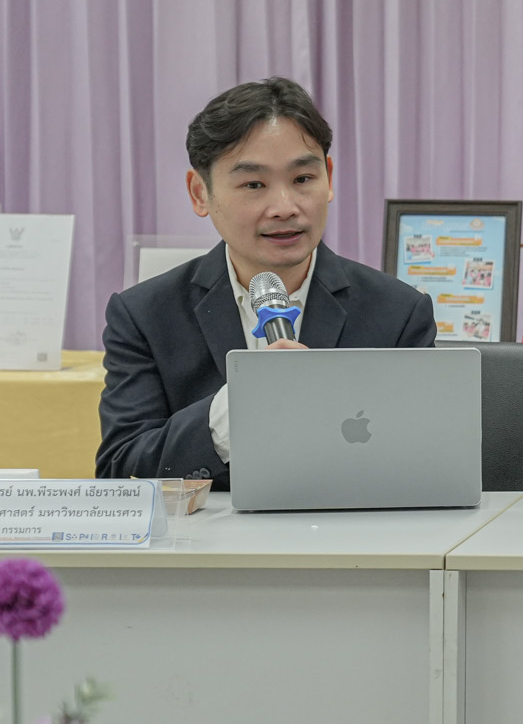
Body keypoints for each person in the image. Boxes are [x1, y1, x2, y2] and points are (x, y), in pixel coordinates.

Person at [97, 78, 436, 487]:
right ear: (200, 193)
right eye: (254, 184)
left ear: (328, 178)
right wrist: (234, 411)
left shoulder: (399, 313)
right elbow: (121, 469)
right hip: (210, 530)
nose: (284, 207)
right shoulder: (145, 315)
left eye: (303, 179)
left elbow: (429, 463)